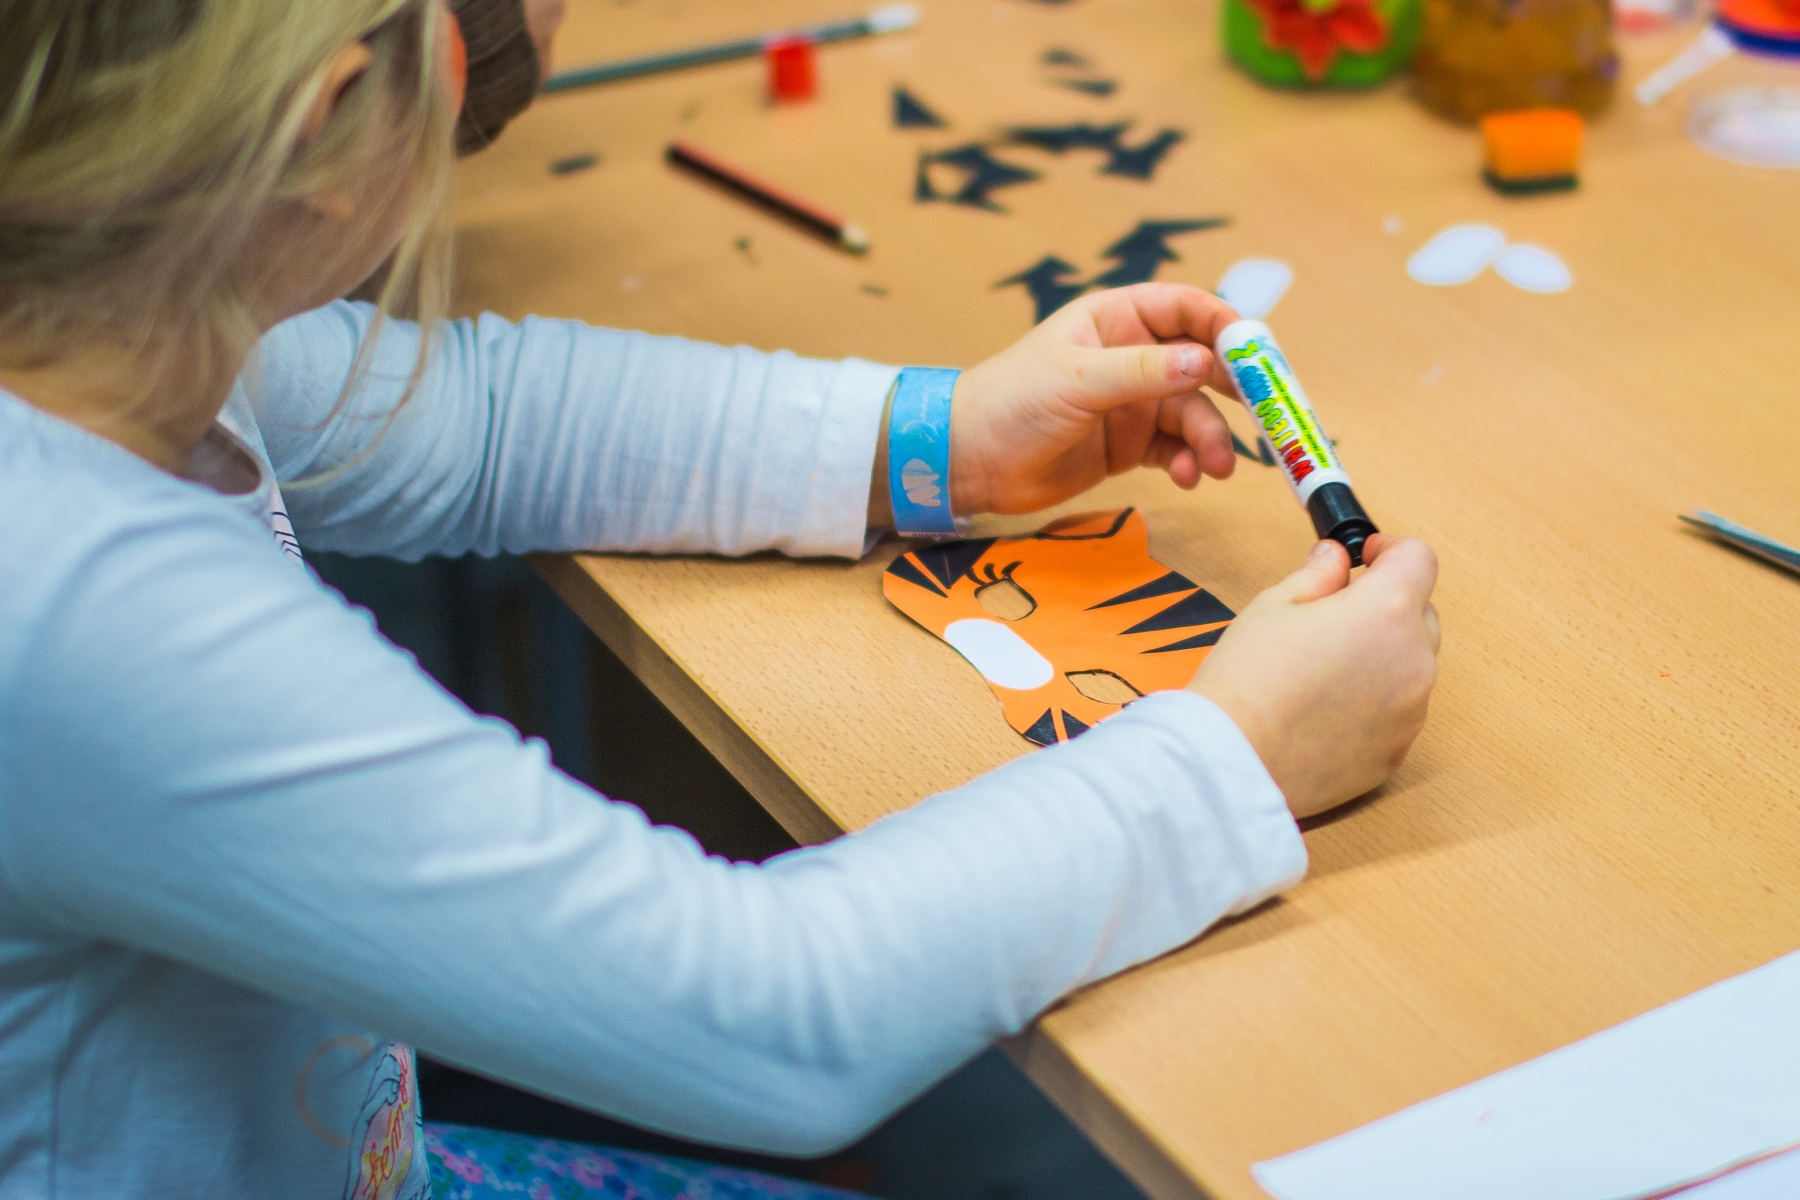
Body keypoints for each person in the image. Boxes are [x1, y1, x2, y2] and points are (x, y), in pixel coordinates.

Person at [0, 3, 1442, 1200]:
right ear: (333, 118)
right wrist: (1237, 759)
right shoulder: (87, 616)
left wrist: (940, 439)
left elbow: (480, 423)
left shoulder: (105, 315)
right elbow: (767, 1013)